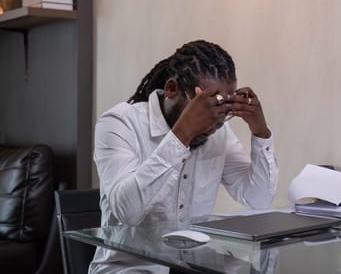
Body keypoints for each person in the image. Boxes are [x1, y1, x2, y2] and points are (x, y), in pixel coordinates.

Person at [89, 40, 278, 272]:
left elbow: (258, 198)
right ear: (171, 89)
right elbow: (128, 211)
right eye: (205, 106)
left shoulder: (220, 134)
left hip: (192, 265)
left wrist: (261, 133)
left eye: (223, 109)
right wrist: (182, 135)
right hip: (129, 267)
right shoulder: (119, 123)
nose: (214, 123)